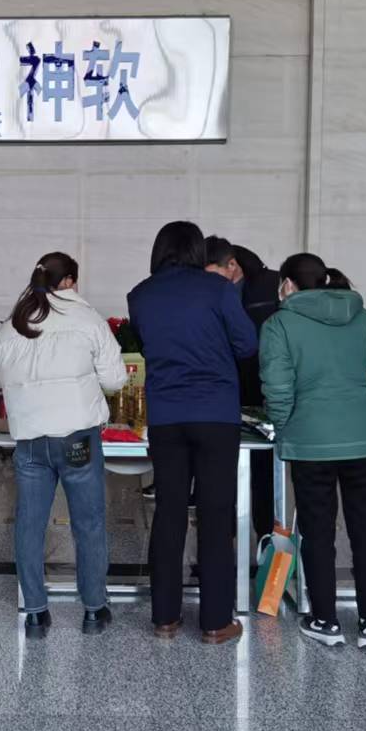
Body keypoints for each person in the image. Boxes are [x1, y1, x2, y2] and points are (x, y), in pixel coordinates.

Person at [259, 253, 366, 649]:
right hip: (363, 440)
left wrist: (286, 424)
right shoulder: (363, 317)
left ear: (287, 284)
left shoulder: (279, 324)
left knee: (318, 532)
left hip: (310, 443)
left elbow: (277, 384)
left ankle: (325, 620)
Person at [127, 221, 258, 643]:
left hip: (166, 416)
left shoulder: (140, 295)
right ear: (197, 250)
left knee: (169, 511)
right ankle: (216, 622)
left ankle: (165, 617)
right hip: (216, 413)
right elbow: (247, 344)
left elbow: (150, 345)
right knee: (215, 515)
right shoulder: (218, 289)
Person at [0, 252, 127, 637]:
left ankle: (35, 613)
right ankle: (94, 610)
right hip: (76, 438)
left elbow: (2, 377)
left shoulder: (12, 325)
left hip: (30, 441)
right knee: (88, 523)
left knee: (30, 524)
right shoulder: (87, 319)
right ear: (69, 281)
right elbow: (116, 379)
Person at [206, 236, 283, 535]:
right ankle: (224, 541)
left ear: (232, 265)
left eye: (213, 274)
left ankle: (266, 541)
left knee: (264, 472)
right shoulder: (210, 289)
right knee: (222, 471)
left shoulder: (270, 285)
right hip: (222, 392)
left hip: (261, 390)